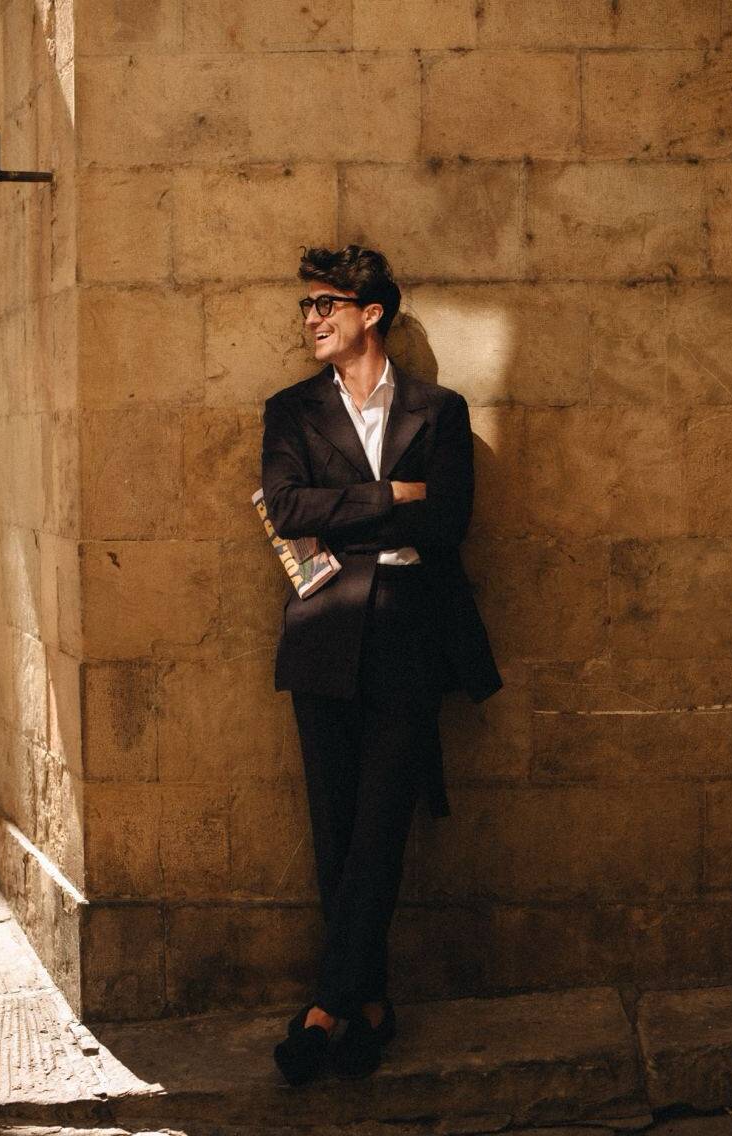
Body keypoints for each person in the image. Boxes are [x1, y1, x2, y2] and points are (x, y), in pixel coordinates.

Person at [261, 245, 502, 1085]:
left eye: (327, 304)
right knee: (335, 828)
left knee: (381, 824)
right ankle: (368, 1005)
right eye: (306, 307)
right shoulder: (290, 411)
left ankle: (326, 1006)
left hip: (409, 633)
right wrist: (392, 497)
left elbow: (450, 526)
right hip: (323, 632)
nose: (312, 319)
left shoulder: (439, 411)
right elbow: (287, 508)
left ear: (373, 313)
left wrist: (352, 518)